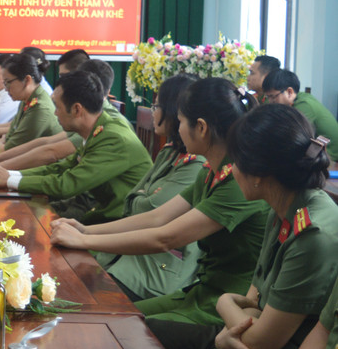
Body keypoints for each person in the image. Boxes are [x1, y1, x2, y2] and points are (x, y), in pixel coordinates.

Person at [152, 104, 338, 349]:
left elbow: (260, 343)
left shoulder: (312, 234)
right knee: (144, 336)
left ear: (259, 175)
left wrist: (224, 303)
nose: (232, 169)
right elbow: (253, 302)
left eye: (236, 162)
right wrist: (230, 328)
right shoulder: (284, 204)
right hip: (242, 337)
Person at [50, 77, 270, 326]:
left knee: (117, 324)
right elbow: (158, 217)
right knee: (105, 315)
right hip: (201, 292)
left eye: (182, 121)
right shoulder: (212, 171)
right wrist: (84, 230)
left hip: (227, 307)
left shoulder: (236, 180)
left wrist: (84, 241)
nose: (178, 129)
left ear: (201, 127)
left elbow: (166, 238)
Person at [95, 73, 205, 300]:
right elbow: (134, 199)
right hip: (132, 251)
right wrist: (143, 198)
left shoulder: (197, 164)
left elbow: (153, 212)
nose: (153, 112)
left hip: (158, 269)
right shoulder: (170, 152)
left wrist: (143, 198)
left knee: (92, 296)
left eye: (156, 106)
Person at [0, 71, 151, 223]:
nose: (55, 113)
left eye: (58, 107)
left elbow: (67, 184)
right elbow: (60, 168)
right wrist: (10, 175)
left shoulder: (113, 138)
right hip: (99, 211)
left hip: (120, 222)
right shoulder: (99, 127)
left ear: (76, 109)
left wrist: (9, 180)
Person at [263, 68, 338, 161]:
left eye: (272, 96)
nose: (270, 101)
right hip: (318, 153)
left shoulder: (304, 105)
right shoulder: (297, 100)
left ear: (289, 92)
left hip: (331, 156)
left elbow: (290, 137)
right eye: (268, 97)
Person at [0, 52, 62, 152]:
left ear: (27, 80)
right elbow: (11, 135)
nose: (6, 89)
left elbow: (8, 150)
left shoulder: (40, 108)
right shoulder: (26, 100)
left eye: (8, 82)